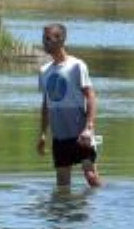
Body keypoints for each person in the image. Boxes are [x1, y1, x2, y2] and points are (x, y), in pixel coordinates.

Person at [36, 23, 102, 188]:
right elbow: (46, 104)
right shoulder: (44, 71)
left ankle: (97, 210)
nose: (44, 42)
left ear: (60, 40)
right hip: (60, 136)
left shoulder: (77, 66)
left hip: (81, 134)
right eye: (44, 38)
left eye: (48, 39)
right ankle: (64, 213)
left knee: (91, 177)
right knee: (62, 186)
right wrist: (43, 134)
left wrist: (89, 127)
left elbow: (91, 96)